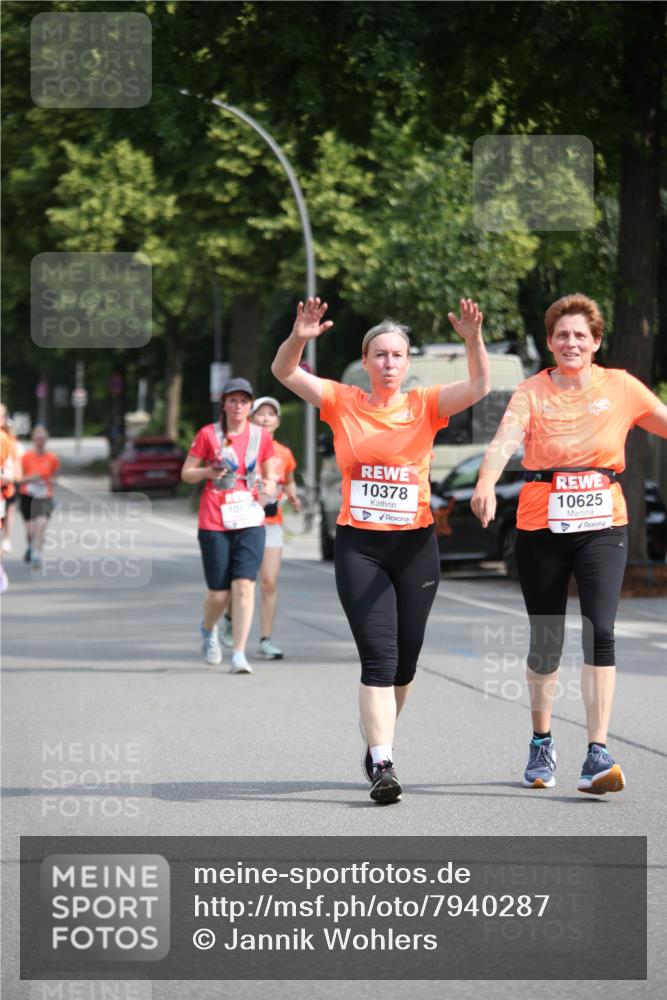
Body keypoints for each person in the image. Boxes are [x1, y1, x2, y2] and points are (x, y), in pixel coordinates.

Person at [272, 296, 489, 804]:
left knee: (405, 664)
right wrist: (300, 335)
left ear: (407, 363)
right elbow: (283, 371)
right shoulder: (341, 401)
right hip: (360, 547)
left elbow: (480, 386)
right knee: (379, 657)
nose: (389, 363)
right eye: (380, 355)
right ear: (366, 362)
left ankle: (376, 739)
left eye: (397, 355)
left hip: (415, 546)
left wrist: (473, 340)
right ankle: (384, 761)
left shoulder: (426, 405)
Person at [471, 293, 667, 794]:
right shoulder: (531, 392)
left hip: (604, 522)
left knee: (601, 628)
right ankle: (541, 740)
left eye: (581, 335)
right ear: (550, 343)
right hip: (541, 525)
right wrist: (486, 482)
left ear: (596, 342)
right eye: (562, 335)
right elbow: (504, 441)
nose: (572, 342)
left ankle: (597, 752)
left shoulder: (620, 386)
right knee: (547, 638)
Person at [181, 378, 278, 674]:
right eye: (233, 400)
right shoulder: (208, 434)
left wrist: (268, 490)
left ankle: (238, 654)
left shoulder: (261, 437)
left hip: (249, 518)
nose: (239, 406)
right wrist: (208, 471)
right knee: (219, 594)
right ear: (223, 404)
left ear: (250, 406)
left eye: (244, 401)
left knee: (245, 586)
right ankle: (208, 629)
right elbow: (186, 473)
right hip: (214, 519)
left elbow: (272, 475)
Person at [220, 396, 301, 660]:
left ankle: (266, 639)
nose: (266, 418)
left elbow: (287, 480)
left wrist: (293, 497)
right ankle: (231, 618)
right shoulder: (239, 446)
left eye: (271, 414)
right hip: (243, 520)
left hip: (271, 522)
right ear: (252, 419)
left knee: (269, 582)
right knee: (241, 579)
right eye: (261, 413)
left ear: (278, 421)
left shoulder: (284, 453)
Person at [19, 425, 60, 570]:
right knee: (30, 530)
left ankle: (37, 554)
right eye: (38, 438)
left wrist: (50, 480)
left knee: (41, 526)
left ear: (46, 440)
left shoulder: (52, 458)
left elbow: (55, 477)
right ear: (33, 439)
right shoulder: (26, 457)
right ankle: (30, 545)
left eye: (43, 438)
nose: (40, 441)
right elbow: (18, 478)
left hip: (44, 496)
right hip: (27, 494)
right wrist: (31, 478)